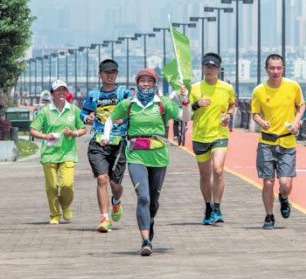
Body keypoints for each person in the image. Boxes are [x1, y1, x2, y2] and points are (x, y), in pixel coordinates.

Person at [102, 68, 190, 256]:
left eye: (149, 81)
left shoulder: (163, 103)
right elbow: (111, 119)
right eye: (142, 80)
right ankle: (145, 240)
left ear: (155, 83)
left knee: (153, 201)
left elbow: (185, 117)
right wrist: (106, 136)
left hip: (158, 156)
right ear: (137, 83)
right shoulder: (129, 104)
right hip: (136, 155)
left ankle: (150, 221)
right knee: (143, 197)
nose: (146, 84)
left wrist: (186, 100)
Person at [251, 54, 304, 230]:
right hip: (267, 141)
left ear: (283, 69)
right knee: (267, 182)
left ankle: (283, 197)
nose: (275, 71)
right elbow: (255, 113)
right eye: (272, 68)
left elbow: (301, 105)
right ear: (266, 69)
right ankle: (269, 216)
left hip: (287, 142)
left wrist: (297, 121)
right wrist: (261, 122)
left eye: (279, 68)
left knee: (285, 183)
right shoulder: (259, 90)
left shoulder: (293, 86)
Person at [80, 59, 133, 233]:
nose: (110, 75)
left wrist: (124, 118)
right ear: (100, 74)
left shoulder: (124, 93)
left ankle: (116, 202)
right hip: (97, 142)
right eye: (107, 72)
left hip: (118, 143)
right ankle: (104, 218)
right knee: (102, 179)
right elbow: (84, 112)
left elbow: (133, 111)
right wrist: (85, 119)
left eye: (113, 72)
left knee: (115, 184)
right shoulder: (93, 95)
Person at [29, 80, 87, 224]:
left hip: (68, 153)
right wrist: (45, 136)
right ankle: (54, 214)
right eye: (58, 90)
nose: (61, 92)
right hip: (49, 154)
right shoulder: (45, 111)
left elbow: (83, 128)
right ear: (52, 93)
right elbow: (33, 130)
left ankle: (65, 205)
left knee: (67, 185)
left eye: (64, 90)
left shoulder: (73, 109)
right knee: (52, 186)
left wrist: (74, 133)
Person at [189, 53, 236, 225]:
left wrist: (229, 114)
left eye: (213, 67)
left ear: (218, 69)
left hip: (219, 135)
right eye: (206, 66)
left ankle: (217, 206)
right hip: (200, 136)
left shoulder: (226, 88)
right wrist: (197, 104)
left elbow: (232, 103)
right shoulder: (194, 88)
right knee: (204, 175)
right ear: (202, 68)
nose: (209, 69)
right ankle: (208, 206)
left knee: (218, 170)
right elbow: (186, 111)